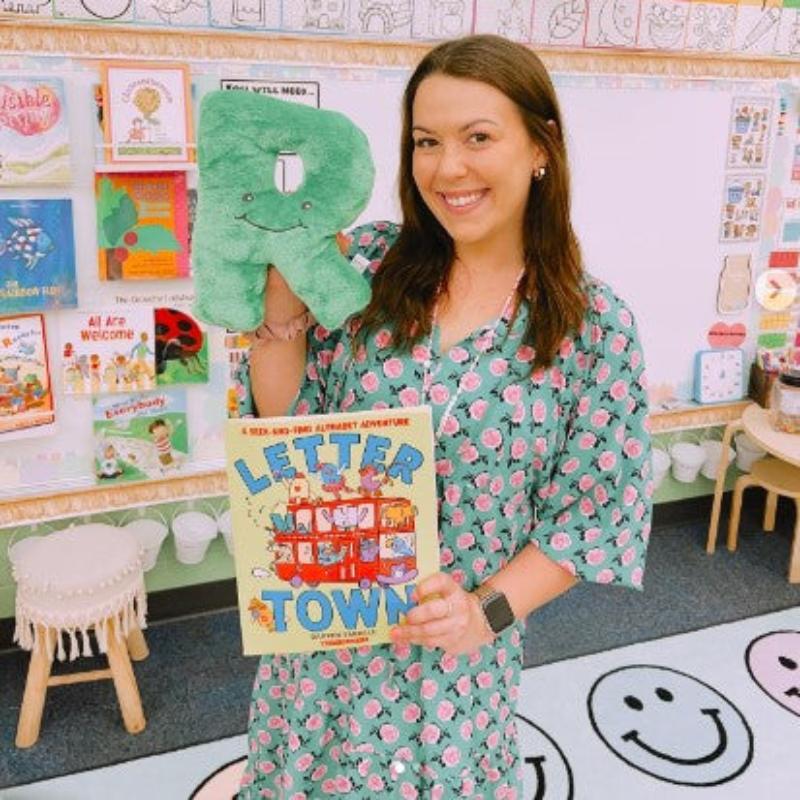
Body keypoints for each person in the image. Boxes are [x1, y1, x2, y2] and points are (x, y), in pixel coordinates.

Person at [239, 34, 652, 799]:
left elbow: (592, 517)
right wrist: (281, 304)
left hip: (455, 678)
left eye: (478, 138)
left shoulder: (592, 329)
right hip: (320, 648)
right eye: (426, 141)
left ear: (541, 147)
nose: (446, 168)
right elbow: (287, 428)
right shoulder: (363, 268)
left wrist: (481, 613)